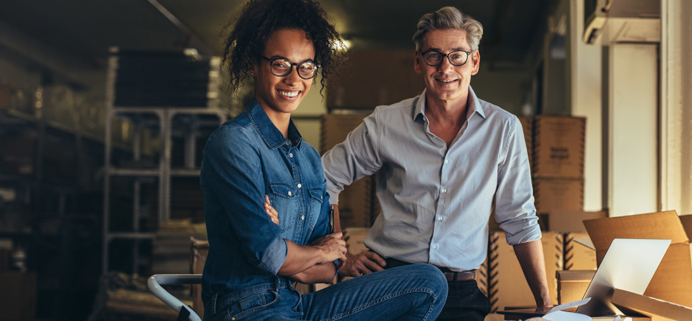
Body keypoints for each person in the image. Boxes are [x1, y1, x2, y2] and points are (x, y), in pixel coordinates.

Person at [268, 6, 552, 321]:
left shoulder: (503, 129)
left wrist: (546, 305)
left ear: (475, 62)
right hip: (389, 285)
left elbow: (519, 218)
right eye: (434, 56)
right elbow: (322, 179)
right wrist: (340, 257)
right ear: (418, 62)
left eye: (457, 55)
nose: (445, 68)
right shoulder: (387, 123)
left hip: (459, 292)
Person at [200, 1, 447, 320]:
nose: (294, 79)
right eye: (280, 64)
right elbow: (270, 254)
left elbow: (328, 270)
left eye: (305, 67)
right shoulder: (234, 143)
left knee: (428, 283)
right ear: (253, 64)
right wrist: (314, 252)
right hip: (246, 307)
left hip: (296, 304)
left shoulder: (309, 159)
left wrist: (299, 256)